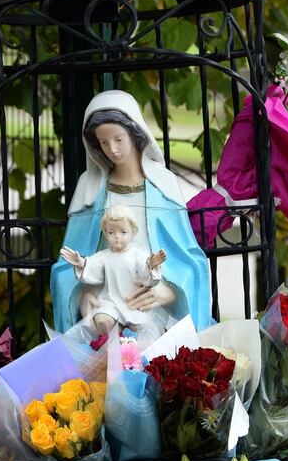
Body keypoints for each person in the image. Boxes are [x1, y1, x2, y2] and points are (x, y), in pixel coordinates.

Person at [50, 90, 212, 335]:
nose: (112, 149)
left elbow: (191, 261)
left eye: (118, 139)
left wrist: (170, 292)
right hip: (104, 311)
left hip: (154, 312)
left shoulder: (162, 184)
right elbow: (67, 264)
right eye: (103, 142)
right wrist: (83, 296)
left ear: (135, 134)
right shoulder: (90, 188)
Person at [60, 205, 167, 335]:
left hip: (132, 304)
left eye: (123, 232)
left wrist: (152, 264)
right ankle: (106, 343)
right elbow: (92, 268)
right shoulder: (104, 256)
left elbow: (147, 278)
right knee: (102, 321)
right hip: (110, 302)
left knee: (143, 329)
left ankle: (127, 346)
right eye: (111, 232)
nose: (117, 237)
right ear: (105, 233)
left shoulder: (137, 255)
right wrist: (81, 263)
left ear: (132, 232)